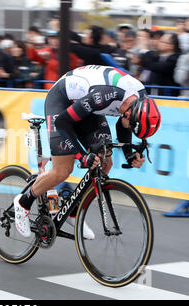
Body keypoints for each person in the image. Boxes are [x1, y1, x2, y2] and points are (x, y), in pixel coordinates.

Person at [14, 65, 161, 238]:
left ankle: (74, 211)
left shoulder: (140, 101)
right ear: (130, 111)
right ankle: (23, 203)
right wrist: (82, 156)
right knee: (63, 170)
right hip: (63, 101)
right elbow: (62, 123)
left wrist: (129, 153)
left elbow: (125, 125)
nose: (126, 122)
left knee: (105, 163)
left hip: (88, 106)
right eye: (129, 120)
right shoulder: (105, 96)